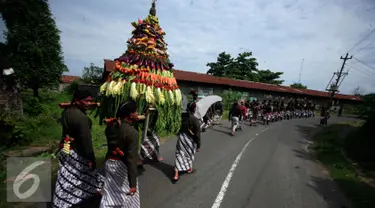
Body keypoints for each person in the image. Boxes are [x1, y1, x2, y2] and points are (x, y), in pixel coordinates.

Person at [53, 89, 104, 208]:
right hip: (76, 150)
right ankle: (69, 199)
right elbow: (85, 141)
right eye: (87, 101)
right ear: (77, 100)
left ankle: (81, 194)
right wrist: (91, 158)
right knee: (78, 173)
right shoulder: (82, 118)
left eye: (91, 101)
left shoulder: (67, 111)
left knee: (67, 170)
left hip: (65, 146)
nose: (89, 103)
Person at [100, 100, 140, 208]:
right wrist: (132, 184)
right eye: (136, 111)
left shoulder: (111, 126)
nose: (137, 113)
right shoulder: (132, 133)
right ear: (130, 115)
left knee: (110, 192)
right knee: (126, 196)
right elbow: (131, 159)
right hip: (121, 167)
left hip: (109, 163)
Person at [172, 102, 201, 183]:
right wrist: (198, 145)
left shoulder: (182, 116)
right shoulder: (195, 120)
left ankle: (176, 174)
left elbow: (177, 127)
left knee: (179, 154)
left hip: (181, 138)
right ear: (194, 109)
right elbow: (197, 134)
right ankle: (189, 168)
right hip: (190, 141)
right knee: (189, 155)